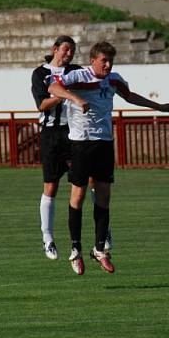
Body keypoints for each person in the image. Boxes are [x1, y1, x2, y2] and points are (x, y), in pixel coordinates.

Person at [49, 41, 169, 275]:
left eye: (111, 61)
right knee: (77, 196)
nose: (108, 65)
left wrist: (158, 106)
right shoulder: (79, 76)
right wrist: (76, 99)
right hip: (81, 143)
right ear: (93, 61)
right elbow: (53, 89)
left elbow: (130, 96)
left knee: (104, 196)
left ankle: (99, 250)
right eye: (104, 61)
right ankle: (75, 250)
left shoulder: (114, 79)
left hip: (104, 143)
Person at [30, 36, 112, 260]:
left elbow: (96, 82)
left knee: (94, 181)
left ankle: (104, 234)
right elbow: (42, 104)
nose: (69, 54)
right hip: (51, 134)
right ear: (55, 49)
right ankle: (48, 238)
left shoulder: (75, 71)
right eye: (66, 50)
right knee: (51, 186)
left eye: (73, 51)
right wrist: (66, 94)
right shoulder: (41, 73)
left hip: (76, 133)